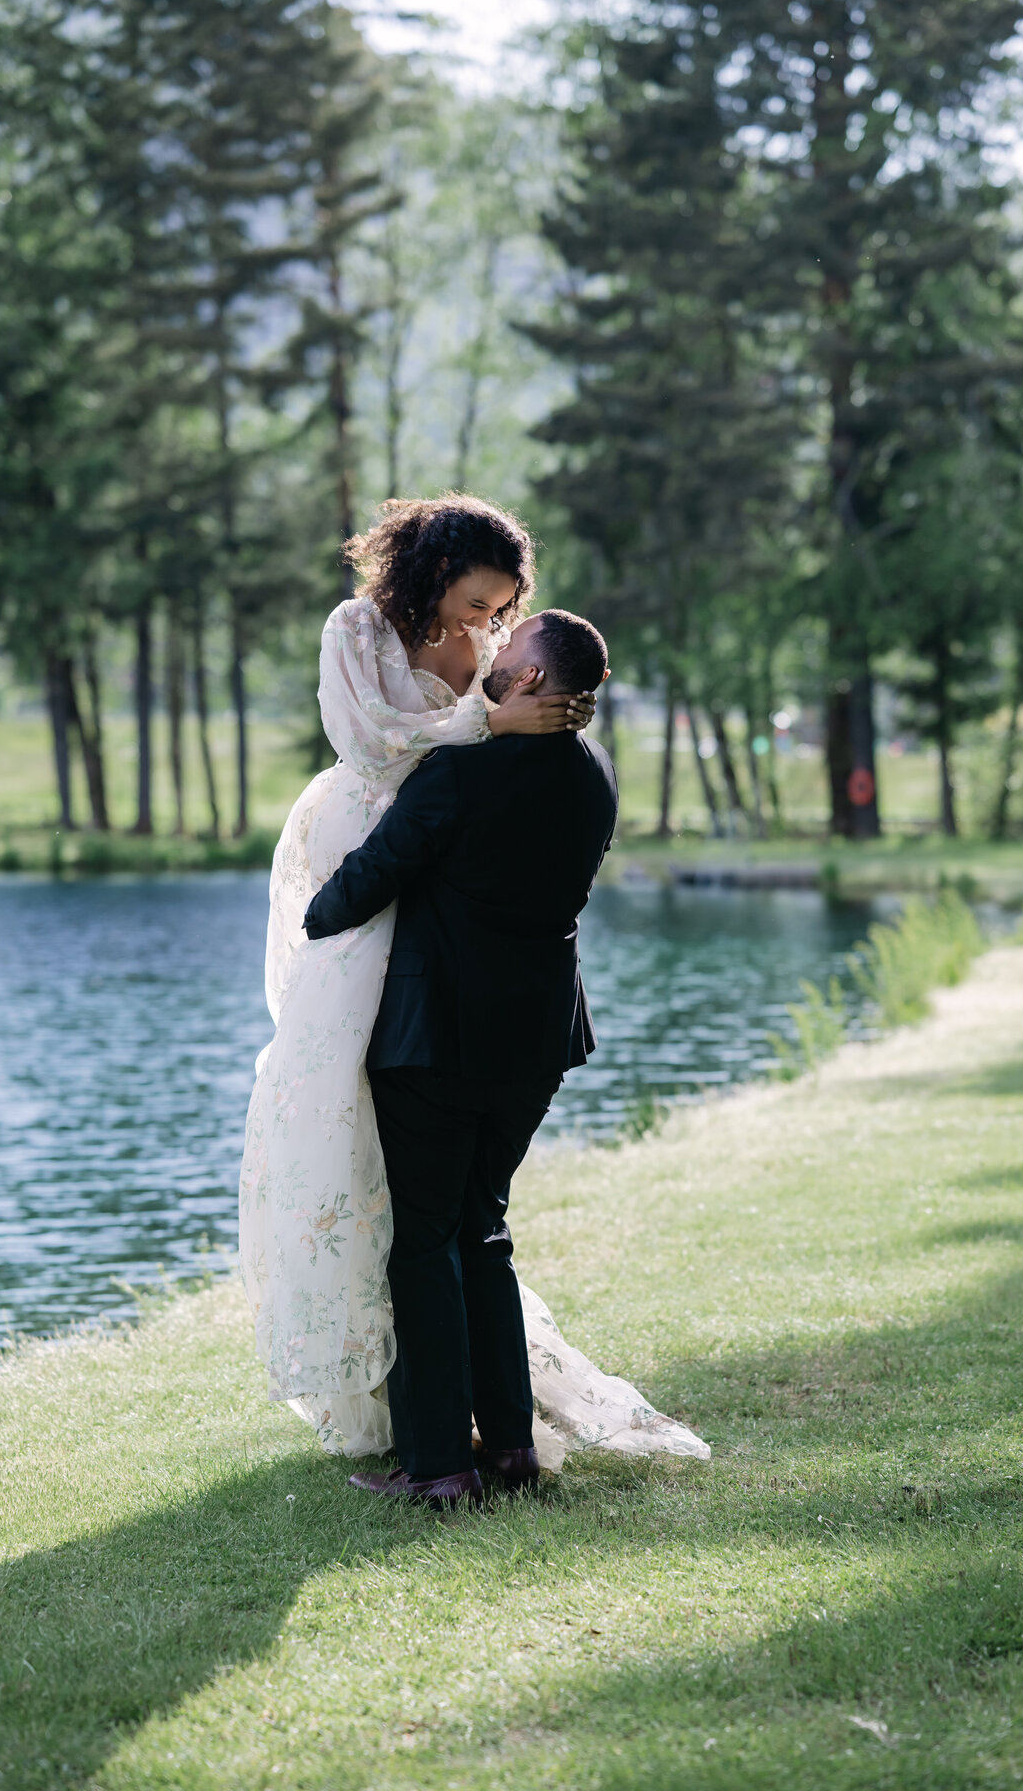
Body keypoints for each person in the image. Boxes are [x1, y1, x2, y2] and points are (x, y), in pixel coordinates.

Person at [239, 495, 708, 1496]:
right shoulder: (589, 774)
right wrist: (491, 718)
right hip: (538, 1030)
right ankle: (509, 1447)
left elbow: (351, 895)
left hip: (433, 1021)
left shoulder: (455, 778)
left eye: (504, 615)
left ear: (530, 672)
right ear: (437, 569)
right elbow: (376, 744)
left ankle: (440, 1465)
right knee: (479, 1231)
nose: (484, 628)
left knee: (424, 1240)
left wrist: (334, 909)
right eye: (478, 602)